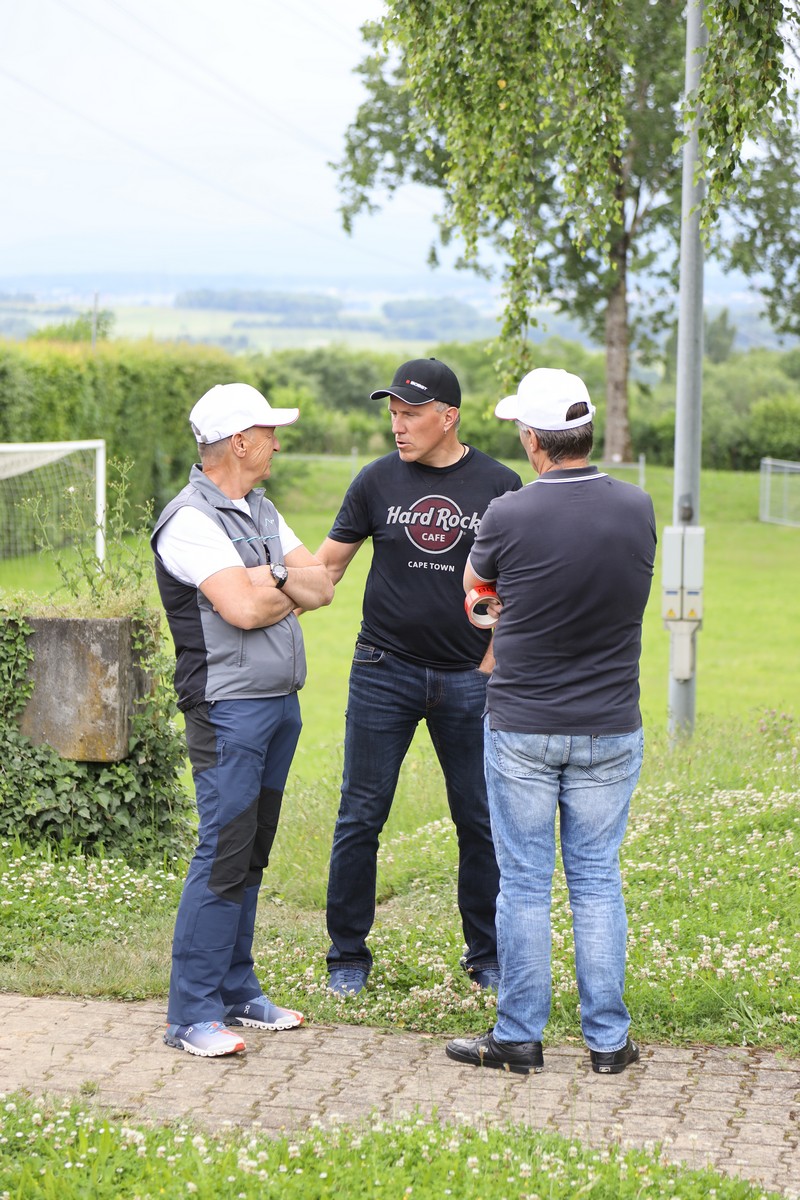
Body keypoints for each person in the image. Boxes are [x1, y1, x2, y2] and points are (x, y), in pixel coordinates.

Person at [445, 367, 656, 1076]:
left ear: (534, 440)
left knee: (526, 883)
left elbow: (477, 593)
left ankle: (518, 1037)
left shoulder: (509, 513)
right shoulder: (637, 506)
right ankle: (608, 1043)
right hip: (611, 722)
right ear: (585, 432)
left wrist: (508, 606)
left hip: (524, 723)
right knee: (596, 880)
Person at [316, 357, 523, 997]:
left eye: (410, 414)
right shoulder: (376, 481)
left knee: (480, 820)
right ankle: (347, 956)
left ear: (448, 417)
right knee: (360, 815)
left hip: (470, 676)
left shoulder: (501, 485)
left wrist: (492, 662)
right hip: (383, 670)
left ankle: (486, 956)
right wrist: (253, 593)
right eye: (393, 414)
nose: (398, 426)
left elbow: (517, 586)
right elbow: (327, 569)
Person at [151, 382, 333, 1057]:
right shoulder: (189, 520)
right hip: (227, 709)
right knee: (224, 850)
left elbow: (323, 584)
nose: (277, 444)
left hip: (278, 703)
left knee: (252, 849)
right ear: (239, 442)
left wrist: (269, 575)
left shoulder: (260, 509)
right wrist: (277, 581)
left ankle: (235, 990)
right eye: (268, 432)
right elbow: (243, 610)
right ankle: (191, 1014)